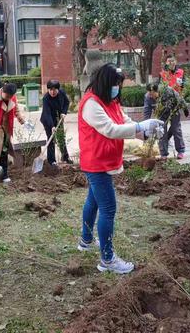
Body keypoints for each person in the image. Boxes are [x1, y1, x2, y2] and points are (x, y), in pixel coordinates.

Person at [77, 64, 164, 274]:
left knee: (93, 201)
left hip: (103, 159)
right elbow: (110, 129)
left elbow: (123, 121)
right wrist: (141, 127)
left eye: (119, 85)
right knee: (108, 209)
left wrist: (145, 130)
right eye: (114, 84)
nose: (117, 88)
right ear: (105, 83)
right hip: (97, 162)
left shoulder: (110, 101)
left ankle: (86, 240)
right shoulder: (91, 103)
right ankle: (107, 259)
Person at [0, 83, 32, 183]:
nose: (9, 98)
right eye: (7, 96)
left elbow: (16, 112)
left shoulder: (12, 98)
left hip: (6, 130)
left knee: (4, 153)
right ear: (3, 91)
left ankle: (4, 174)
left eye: (11, 96)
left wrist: (24, 122)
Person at [159, 55, 187, 159]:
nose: (171, 63)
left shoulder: (181, 72)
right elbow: (160, 88)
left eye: (173, 61)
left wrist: (182, 101)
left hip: (176, 104)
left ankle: (180, 151)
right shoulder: (162, 74)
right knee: (162, 129)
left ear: (175, 62)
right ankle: (163, 153)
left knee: (176, 129)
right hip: (164, 105)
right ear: (166, 62)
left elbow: (184, 87)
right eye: (169, 61)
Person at [40, 79, 72, 166]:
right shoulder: (46, 98)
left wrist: (64, 112)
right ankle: (52, 161)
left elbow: (66, 102)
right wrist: (52, 126)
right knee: (51, 139)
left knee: (61, 137)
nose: (52, 92)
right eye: (50, 90)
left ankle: (65, 157)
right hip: (47, 120)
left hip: (59, 118)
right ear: (48, 90)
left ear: (58, 89)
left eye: (54, 90)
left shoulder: (61, 93)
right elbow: (47, 113)